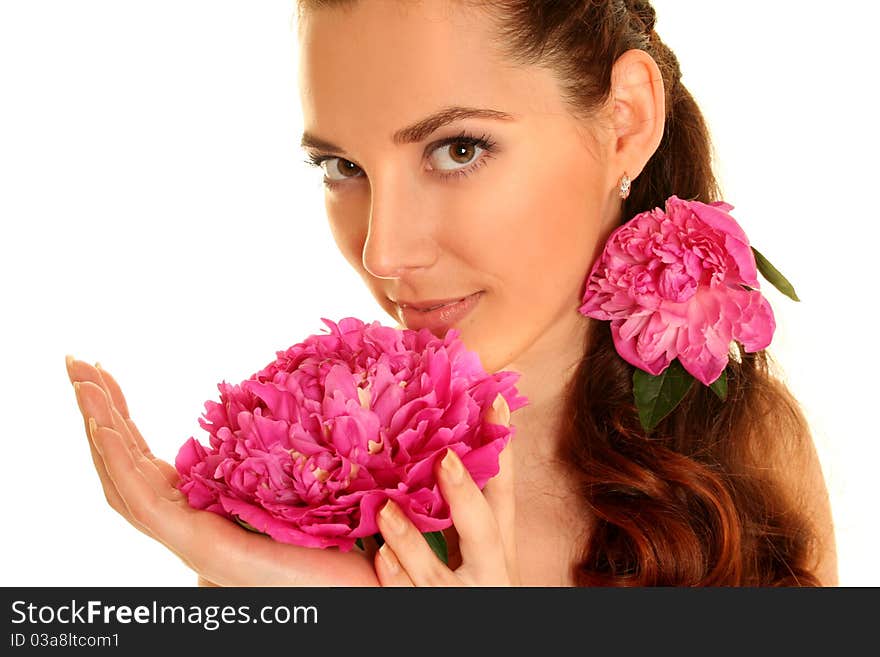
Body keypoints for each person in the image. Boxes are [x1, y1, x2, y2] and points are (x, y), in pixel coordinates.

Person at [66, 0, 837, 586]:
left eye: (457, 149)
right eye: (342, 168)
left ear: (625, 122)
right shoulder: (296, 501)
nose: (384, 251)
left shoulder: (746, 446)